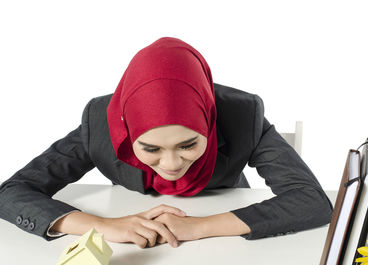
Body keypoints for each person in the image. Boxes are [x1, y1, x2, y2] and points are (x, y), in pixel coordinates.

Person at [0, 37, 333, 249]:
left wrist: (200, 227)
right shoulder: (100, 122)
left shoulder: (244, 115)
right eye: (151, 149)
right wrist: (102, 226)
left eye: (188, 145)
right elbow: (12, 192)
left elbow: (311, 201)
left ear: (209, 121)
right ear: (127, 134)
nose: (172, 165)